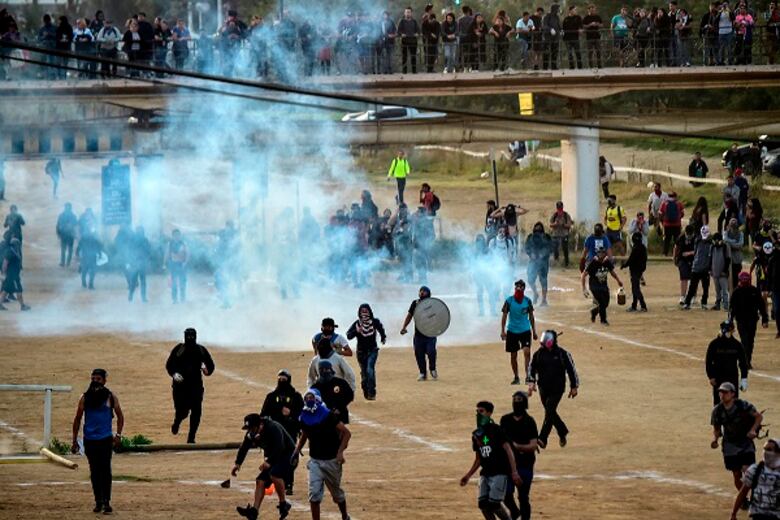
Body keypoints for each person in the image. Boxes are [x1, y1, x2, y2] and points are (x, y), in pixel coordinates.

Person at [291, 389, 352, 520]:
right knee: (314, 495)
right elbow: (305, 434)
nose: (309, 400)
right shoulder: (304, 416)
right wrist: (296, 450)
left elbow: (347, 433)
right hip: (315, 461)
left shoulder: (328, 415)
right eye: (307, 398)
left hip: (331, 460)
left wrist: (340, 452)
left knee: (337, 495)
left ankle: (345, 516)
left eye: (311, 397)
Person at [70, 369, 124, 514]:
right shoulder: (85, 398)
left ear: (105, 380)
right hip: (90, 440)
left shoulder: (110, 397)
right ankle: (98, 501)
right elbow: (77, 419)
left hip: (105, 439)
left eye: (98, 379)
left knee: (105, 470)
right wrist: (74, 440)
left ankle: (106, 502)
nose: (95, 381)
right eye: (93, 378)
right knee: (94, 471)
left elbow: (120, 416)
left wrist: (118, 435)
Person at [460, 401, 522, 520]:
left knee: (494, 505)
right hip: (485, 474)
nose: (478, 414)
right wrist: (468, 475)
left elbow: (508, 450)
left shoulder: (496, 430)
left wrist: (514, 472)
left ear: (489, 413)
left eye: (481, 411)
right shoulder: (476, 435)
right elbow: (478, 458)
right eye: (477, 412)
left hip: (499, 472)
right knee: (483, 505)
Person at [232, 413, 294, 520]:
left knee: (275, 474)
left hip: (289, 456)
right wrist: (238, 463)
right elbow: (244, 447)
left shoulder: (273, 428)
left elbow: (280, 446)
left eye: (252, 428)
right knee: (260, 480)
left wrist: (269, 461)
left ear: (260, 425)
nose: (250, 431)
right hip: (275, 457)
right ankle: (254, 511)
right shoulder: (252, 433)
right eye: (249, 428)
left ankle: (283, 504)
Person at [527, 330, 579, 449]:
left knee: (549, 410)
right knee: (550, 412)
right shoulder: (539, 354)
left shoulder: (562, 354)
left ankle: (542, 438)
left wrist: (574, 386)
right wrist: (531, 382)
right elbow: (531, 368)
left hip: (557, 389)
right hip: (543, 388)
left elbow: (572, 370)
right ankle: (562, 431)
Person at [711, 382, 764, 493]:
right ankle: (743, 498)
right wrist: (715, 440)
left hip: (745, 442)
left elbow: (758, 416)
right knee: (736, 474)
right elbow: (717, 429)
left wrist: (753, 430)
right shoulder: (717, 410)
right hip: (730, 445)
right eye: (720, 392)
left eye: (725, 392)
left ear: (732, 394)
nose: (722, 394)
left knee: (749, 471)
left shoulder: (743, 405)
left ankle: (754, 497)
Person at [165, 328, 215, 444]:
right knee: (183, 412)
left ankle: (191, 437)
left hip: (196, 386)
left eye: (192, 336)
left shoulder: (201, 350)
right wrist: (174, 374)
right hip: (180, 388)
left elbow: (210, 366)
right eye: (188, 336)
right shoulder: (179, 349)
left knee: (197, 411)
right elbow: (169, 364)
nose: (190, 339)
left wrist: (206, 370)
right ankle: (177, 422)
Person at [260, 370, 303, 495]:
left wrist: (291, 414)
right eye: (280, 379)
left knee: (289, 457)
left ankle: (288, 483)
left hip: (290, 433)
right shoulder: (271, 397)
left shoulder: (296, 396)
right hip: (272, 434)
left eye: (284, 379)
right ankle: (269, 481)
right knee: (271, 456)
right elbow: (263, 414)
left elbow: (302, 415)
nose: (282, 382)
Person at [500, 392, 538, 520]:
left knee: (523, 496)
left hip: (525, 464)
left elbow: (533, 445)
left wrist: (517, 447)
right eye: (515, 399)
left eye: (519, 400)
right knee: (505, 494)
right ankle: (515, 512)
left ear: (525, 403)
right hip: (508, 465)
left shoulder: (530, 421)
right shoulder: (505, 420)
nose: (516, 402)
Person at [730, 438, 780, 520]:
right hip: (758, 515)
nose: (766, 452)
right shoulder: (755, 470)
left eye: (769, 449)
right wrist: (733, 513)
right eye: (765, 449)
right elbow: (743, 492)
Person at [501, 280, 538, 385]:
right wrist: (503, 331)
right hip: (512, 331)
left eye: (521, 287)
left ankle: (528, 376)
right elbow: (504, 316)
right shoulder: (509, 301)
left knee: (527, 352)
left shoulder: (528, 301)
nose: (519, 288)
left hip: (525, 330)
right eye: (517, 286)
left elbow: (531, 317)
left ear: (524, 289)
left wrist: (534, 331)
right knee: (513, 355)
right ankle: (516, 377)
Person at [345, 303, 386, 400]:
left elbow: (381, 329)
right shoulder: (357, 324)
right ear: (359, 313)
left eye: (366, 311)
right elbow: (348, 335)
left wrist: (383, 338)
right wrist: (357, 331)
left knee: (370, 370)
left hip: (373, 350)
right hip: (361, 352)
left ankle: (372, 393)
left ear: (370, 312)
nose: (364, 313)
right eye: (362, 311)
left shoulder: (375, 322)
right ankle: (366, 391)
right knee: (364, 374)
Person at [730, 272, 769, 368]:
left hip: (752, 320)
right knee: (745, 341)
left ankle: (747, 360)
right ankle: (745, 362)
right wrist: (730, 321)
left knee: (750, 341)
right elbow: (732, 308)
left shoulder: (754, 291)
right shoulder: (736, 292)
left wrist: (765, 319)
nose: (744, 282)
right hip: (741, 320)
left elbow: (761, 306)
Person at [706, 320, 749, 406]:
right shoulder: (714, 344)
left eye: (730, 330)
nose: (729, 333)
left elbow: (743, 362)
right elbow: (709, 361)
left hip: (732, 377)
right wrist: (711, 376)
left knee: (733, 404)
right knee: (718, 403)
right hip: (718, 378)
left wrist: (744, 378)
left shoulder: (737, 345)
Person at [401, 285, 438, 381]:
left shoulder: (433, 304)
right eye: (420, 291)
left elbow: (439, 318)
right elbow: (409, 316)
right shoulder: (415, 303)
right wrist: (404, 327)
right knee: (419, 354)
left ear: (428, 293)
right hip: (419, 335)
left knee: (431, 352)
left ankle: (432, 369)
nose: (421, 293)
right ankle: (422, 373)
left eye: (424, 291)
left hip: (430, 334)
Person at [581, 247, 624, 325]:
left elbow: (612, 272)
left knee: (606, 303)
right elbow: (583, 275)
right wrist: (584, 288)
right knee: (601, 302)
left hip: (604, 286)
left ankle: (594, 312)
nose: (601, 254)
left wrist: (618, 280)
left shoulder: (606, 262)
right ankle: (603, 320)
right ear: (597, 253)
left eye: (603, 253)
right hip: (594, 286)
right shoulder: (593, 262)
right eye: (599, 253)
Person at [683, 225, 713, 310]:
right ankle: (687, 303)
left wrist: (710, 268)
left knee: (705, 288)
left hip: (705, 269)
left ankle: (704, 303)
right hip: (696, 268)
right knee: (692, 287)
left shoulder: (711, 243)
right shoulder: (697, 240)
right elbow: (695, 252)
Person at [524, 222, 553, 306]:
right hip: (533, 262)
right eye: (536, 228)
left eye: (539, 228)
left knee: (543, 280)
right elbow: (527, 247)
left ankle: (544, 300)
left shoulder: (546, 237)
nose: (538, 230)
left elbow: (550, 247)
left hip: (543, 262)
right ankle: (535, 293)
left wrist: (543, 254)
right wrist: (530, 254)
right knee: (530, 279)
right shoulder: (530, 237)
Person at [0, 237, 30, 311]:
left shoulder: (14, 251)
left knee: (5, 290)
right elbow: (5, 263)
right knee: (18, 290)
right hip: (12, 276)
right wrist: (4, 273)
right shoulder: (10, 252)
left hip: (13, 275)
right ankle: (22, 306)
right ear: (15, 245)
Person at [621, 232, 648, 312]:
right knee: (634, 288)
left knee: (635, 288)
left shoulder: (636, 248)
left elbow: (631, 260)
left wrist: (624, 265)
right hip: (639, 270)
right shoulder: (643, 247)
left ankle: (643, 306)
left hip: (635, 270)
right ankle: (634, 305)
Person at [674, 224, 696, 306]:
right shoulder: (681, 237)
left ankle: (692, 296)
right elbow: (675, 247)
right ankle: (682, 296)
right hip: (682, 260)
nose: (689, 236)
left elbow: (698, 250)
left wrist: (690, 253)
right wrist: (674, 258)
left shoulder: (696, 238)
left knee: (693, 278)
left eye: (691, 234)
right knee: (684, 278)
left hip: (693, 260)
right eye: (688, 234)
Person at [127, 226, 151, 303]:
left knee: (142, 281)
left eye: (140, 231)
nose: (139, 232)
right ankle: (131, 295)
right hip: (135, 262)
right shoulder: (133, 240)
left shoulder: (144, 240)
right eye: (138, 231)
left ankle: (143, 297)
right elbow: (129, 251)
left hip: (142, 263)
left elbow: (148, 251)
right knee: (134, 281)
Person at [165, 229, 188, 304]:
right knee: (174, 283)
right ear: (173, 236)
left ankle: (182, 298)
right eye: (175, 235)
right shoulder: (170, 244)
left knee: (182, 282)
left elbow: (187, 254)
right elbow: (167, 254)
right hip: (173, 265)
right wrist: (165, 263)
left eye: (178, 235)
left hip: (181, 265)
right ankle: (174, 299)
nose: (177, 236)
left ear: (180, 235)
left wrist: (185, 262)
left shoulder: (183, 243)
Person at [710, 232, 731, 311]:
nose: (715, 242)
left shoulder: (725, 247)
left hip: (722, 273)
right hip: (715, 272)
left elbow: (728, 260)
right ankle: (717, 305)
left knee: (725, 291)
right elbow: (710, 259)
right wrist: (710, 270)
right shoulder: (712, 247)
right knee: (717, 290)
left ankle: (726, 306)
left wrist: (725, 271)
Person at [660, 191, 684, 256]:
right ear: (675, 196)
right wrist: (678, 218)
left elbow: (660, 214)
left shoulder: (664, 203)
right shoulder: (679, 203)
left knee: (667, 239)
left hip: (667, 225)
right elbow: (682, 214)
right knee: (677, 240)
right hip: (677, 225)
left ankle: (665, 253)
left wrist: (663, 222)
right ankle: (676, 253)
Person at [549, 201, 572, 267]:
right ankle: (556, 262)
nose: (559, 209)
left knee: (565, 249)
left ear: (562, 207)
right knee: (555, 249)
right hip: (555, 234)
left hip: (564, 234)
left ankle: (566, 263)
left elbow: (569, 225)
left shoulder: (566, 215)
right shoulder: (554, 215)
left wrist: (563, 225)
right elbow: (550, 224)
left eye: (560, 207)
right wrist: (555, 224)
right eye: (558, 207)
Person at [724, 218, 744, 290]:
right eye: (732, 222)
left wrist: (730, 245)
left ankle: (735, 293)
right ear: (729, 224)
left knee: (736, 278)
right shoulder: (726, 233)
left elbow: (740, 244)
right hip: (727, 260)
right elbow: (725, 240)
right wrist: (734, 242)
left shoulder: (741, 234)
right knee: (727, 278)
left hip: (737, 260)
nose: (733, 224)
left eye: (735, 222)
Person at [397, 7, 419, 74]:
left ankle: (414, 71)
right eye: (406, 12)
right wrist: (402, 34)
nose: (407, 13)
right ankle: (404, 71)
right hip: (404, 41)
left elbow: (418, 30)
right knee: (404, 57)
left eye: (409, 12)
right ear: (404, 13)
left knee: (413, 57)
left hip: (413, 41)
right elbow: (398, 31)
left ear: (411, 13)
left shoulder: (414, 21)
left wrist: (417, 33)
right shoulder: (402, 21)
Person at [56, 202, 78, 267]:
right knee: (66, 249)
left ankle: (65, 262)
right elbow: (58, 225)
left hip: (67, 235)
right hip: (67, 235)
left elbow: (58, 225)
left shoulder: (62, 215)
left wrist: (58, 233)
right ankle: (65, 262)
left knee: (66, 249)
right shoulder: (72, 216)